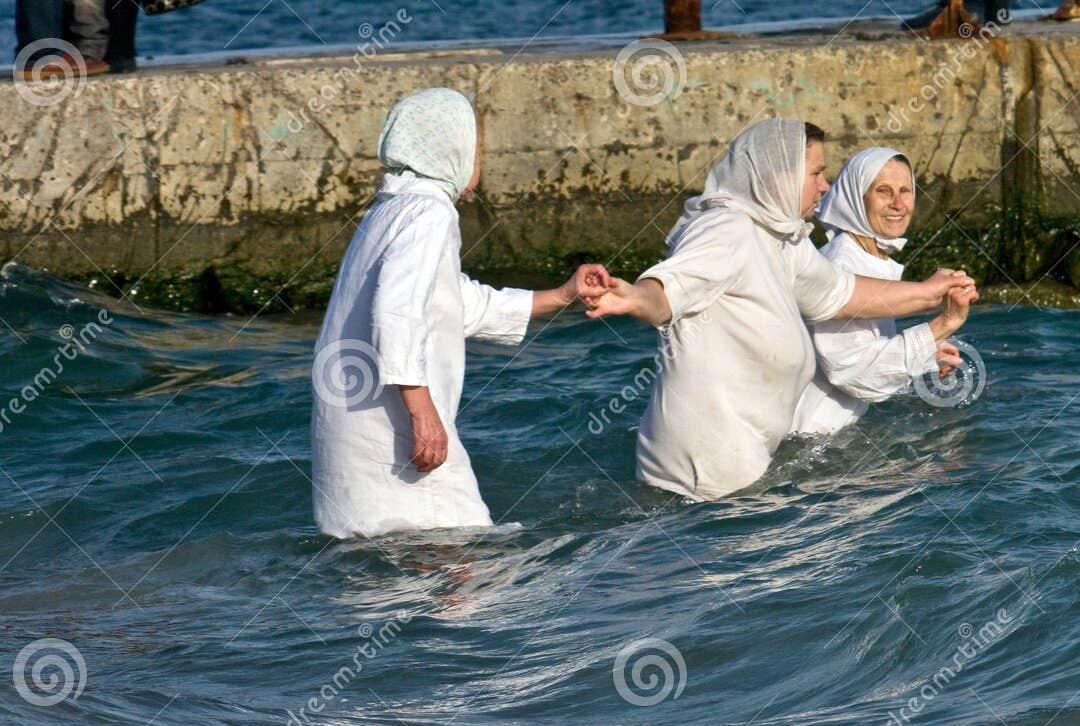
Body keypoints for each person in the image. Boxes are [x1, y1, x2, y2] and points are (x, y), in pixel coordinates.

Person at [579, 118, 976, 501]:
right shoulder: (727, 228)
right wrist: (635, 298)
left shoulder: (783, 239)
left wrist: (929, 293)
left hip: (742, 464)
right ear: (780, 175)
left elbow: (841, 294)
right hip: (702, 473)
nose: (825, 185)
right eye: (815, 174)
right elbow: (670, 287)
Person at [311, 87, 604, 540]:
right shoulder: (429, 212)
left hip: (356, 424)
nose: (478, 159)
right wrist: (423, 411)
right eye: (477, 147)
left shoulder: (391, 207)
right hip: (392, 430)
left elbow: (451, 302)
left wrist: (562, 295)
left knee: (401, 569)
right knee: (466, 561)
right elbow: (396, 311)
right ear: (452, 149)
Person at [792, 146, 975, 437]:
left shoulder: (870, 258)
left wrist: (929, 353)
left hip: (832, 439)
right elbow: (853, 374)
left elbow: (864, 352)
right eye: (883, 191)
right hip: (811, 440)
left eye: (905, 190)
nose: (898, 204)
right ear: (857, 197)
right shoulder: (842, 264)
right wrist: (943, 324)